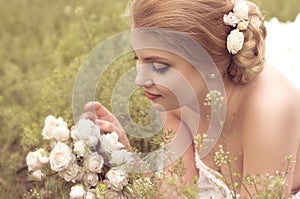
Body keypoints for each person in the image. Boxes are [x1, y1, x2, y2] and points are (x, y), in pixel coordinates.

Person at [83, 0, 300, 198]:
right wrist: (124, 160)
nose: (140, 79)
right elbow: (177, 191)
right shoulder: (174, 100)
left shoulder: (271, 109)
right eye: (137, 58)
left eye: (159, 66)